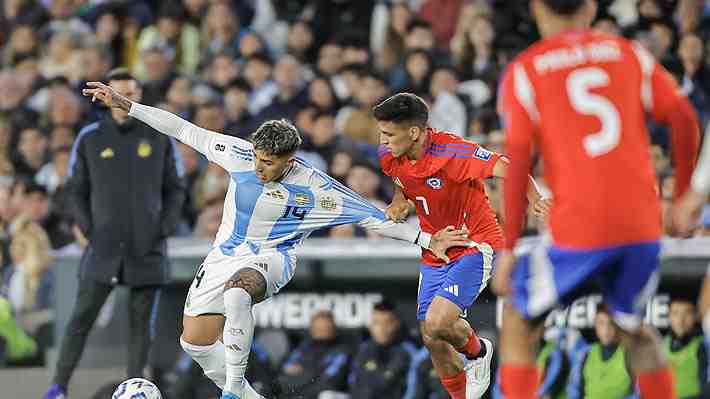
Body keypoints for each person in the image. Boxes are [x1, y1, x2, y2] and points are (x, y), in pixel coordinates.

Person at [81, 80, 470, 399]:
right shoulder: (239, 153)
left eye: (268, 163)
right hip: (223, 256)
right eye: (257, 159)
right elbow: (184, 129)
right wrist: (126, 104)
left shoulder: (317, 188)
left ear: (290, 160)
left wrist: (425, 238)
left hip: (275, 258)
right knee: (194, 344)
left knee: (237, 295)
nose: (259, 168)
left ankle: (233, 392)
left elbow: (374, 218)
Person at [492, 1, 701, 399]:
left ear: (537, 9)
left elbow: (517, 162)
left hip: (580, 226)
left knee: (519, 317)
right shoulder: (626, 53)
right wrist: (684, 196)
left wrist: (508, 248)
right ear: (590, 7)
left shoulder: (526, 70)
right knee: (632, 328)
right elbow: (685, 119)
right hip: (641, 225)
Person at [375, 92, 550, 399]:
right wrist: (399, 202)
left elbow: (507, 165)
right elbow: (404, 184)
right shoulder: (389, 155)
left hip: (475, 243)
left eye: (389, 133)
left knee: (439, 321)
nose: (382, 140)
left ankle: (479, 352)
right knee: (432, 337)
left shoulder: (453, 151)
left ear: (414, 132)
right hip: (434, 251)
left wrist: (535, 199)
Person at [43, 69, 186, 399]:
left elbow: (176, 189)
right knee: (81, 319)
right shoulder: (90, 138)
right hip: (103, 248)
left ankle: (135, 391)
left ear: (139, 96)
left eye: (132, 93)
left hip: (147, 248)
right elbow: (74, 190)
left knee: (141, 330)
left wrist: (162, 229)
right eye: (119, 93)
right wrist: (90, 229)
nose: (125, 99)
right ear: (104, 97)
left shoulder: (159, 137)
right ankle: (57, 388)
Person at [349, 300, 417, 399]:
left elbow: (415, 390)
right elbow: (353, 384)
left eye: (387, 323)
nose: (382, 328)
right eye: (376, 323)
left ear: (397, 324)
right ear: (370, 326)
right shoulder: (362, 350)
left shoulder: (409, 352)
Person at [278, 310, 351, 397]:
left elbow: (329, 381)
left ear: (333, 328)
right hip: (298, 391)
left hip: (326, 393)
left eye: (325, 327)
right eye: (317, 327)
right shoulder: (303, 348)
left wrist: (304, 372)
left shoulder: (342, 351)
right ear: (311, 328)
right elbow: (284, 369)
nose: (321, 330)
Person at [568, 305, 635, 399]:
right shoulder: (585, 354)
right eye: (601, 323)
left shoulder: (630, 354)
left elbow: (638, 393)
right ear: (595, 326)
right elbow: (574, 391)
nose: (606, 329)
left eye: (611, 323)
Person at [664, 297, 709, 399]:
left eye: (687, 313)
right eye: (675, 313)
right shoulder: (663, 344)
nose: (681, 319)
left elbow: (706, 386)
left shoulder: (702, 346)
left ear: (695, 316)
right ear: (669, 316)